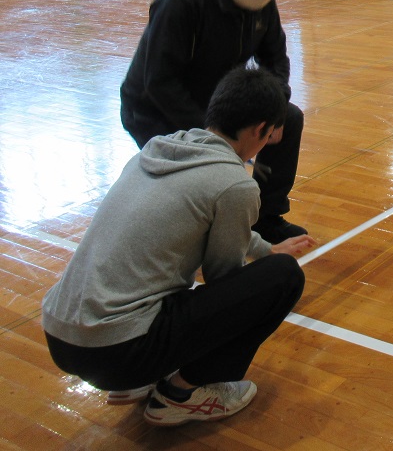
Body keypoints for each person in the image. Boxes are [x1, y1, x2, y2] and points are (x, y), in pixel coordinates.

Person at [42, 67, 317, 427]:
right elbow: (224, 279)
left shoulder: (157, 150)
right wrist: (272, 263)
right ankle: (182, 393)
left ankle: (138, 381)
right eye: (269, 137)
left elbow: (200, 222)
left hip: (62, 333)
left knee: (172, 275)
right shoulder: (234, 184)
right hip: (115, 351)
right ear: (259, 130)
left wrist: (266, 249)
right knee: (283, 278)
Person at [120, 0, 306, 244]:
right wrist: (214, 137)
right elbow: (159, 83)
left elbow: (275, 59)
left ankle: (267, 217)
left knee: (288, 116)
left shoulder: (262, 0)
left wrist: (274, 111)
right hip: (156, 110)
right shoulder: (181, 1)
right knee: (203, 172)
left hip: (216, 101)